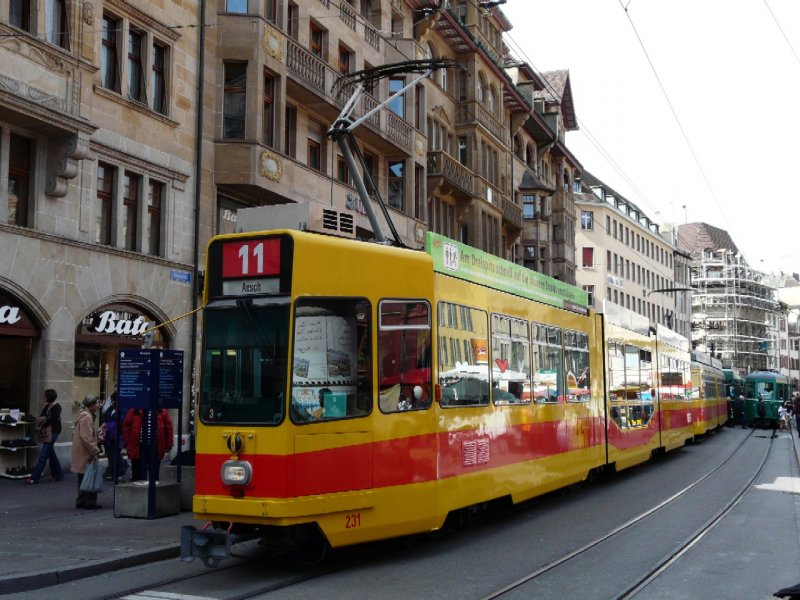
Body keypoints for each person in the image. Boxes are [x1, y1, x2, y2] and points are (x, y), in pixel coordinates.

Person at [122, 408, 174, 481]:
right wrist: (129, 441)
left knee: (154, 473)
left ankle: (153, 490)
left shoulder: (161, 411)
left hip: (155, 447)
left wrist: (169, 443)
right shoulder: (134, 410)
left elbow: (168, 427)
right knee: (137, 473)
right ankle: (138, 490)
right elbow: (126, 426)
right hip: (138, 447)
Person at [26, 389, 64, 484]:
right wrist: (44, 419)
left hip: (53, 432)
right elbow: (42, 417)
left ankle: (34, 477)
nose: (43, 397)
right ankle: (58, 475)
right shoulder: (46, 406)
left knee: (43, 456)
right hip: (46, 433)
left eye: (45, 396)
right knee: (51, 455)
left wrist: (44, 419)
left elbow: (51, 419)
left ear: (49, 396)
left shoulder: (57, 407)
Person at [71, 395, 102, 509]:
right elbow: (86, 437)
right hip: (85, 452)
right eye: (97, 403)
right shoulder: (87, 417)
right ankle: (89, 502)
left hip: (81, 451)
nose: (99, 406)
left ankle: (81, 500)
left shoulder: (84, 416)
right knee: (90, 476)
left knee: (83, 477)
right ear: (92, 405)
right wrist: (94, 449)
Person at [101, 393, 129, 481]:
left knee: (115, 454)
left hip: (118, 435)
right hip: (108, 436)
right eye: (111, 400)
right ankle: (115, 470)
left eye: (114, 400)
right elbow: (104, 417)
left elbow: (123, 420)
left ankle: (116, 472)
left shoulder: (123, 409)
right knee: (110, 454)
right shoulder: (110, 409)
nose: (112, 402)